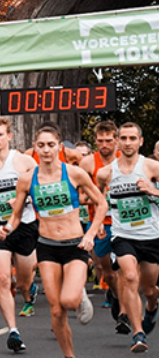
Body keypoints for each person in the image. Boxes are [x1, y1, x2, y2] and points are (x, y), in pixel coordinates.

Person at [6, 125, 101, 358]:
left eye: (51, 145)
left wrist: (90, 234)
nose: (46, 150)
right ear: (35, 148)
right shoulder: (27, 178)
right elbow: (16, 215)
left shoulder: (74, 173)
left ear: (60, 147)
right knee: (56, 310)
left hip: (75, 245)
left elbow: (101, 203)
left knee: (68, 302)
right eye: (41, 145)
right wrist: (7, 227)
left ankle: (78, 294)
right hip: (47, 245)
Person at [95, 122, 159, 353]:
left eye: (133, 138)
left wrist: (153, 191)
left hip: (151, 235)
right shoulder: (106, 173)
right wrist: (100, 223)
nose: (128, 142)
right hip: (123, 235)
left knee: (149, 288)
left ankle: (152, 306)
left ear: (141, 141)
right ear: (118, 141)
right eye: (124, 138)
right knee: (130, 277)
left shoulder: (151, 166)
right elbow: (100, 199)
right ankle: (138, 333)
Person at [0, 118, 41, 353]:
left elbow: (39, 187)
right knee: (4, 280)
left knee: (24, 280)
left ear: (9, 136)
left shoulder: (23, 161)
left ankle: (29, 293)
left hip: (25, 224)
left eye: (0, 134)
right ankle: (13, 331)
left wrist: (23, 199)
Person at [81, 120, 121, 323]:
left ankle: (124, 311)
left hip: (125, 221)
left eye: (108, 140)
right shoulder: (88, 163)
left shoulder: (127, 160)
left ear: (116, 140)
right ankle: (114, 294)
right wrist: (96, 198)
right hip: (99, 221)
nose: (104, 144)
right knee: (106, 269)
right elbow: (79, 196)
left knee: (127, 267)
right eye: (100, 141)